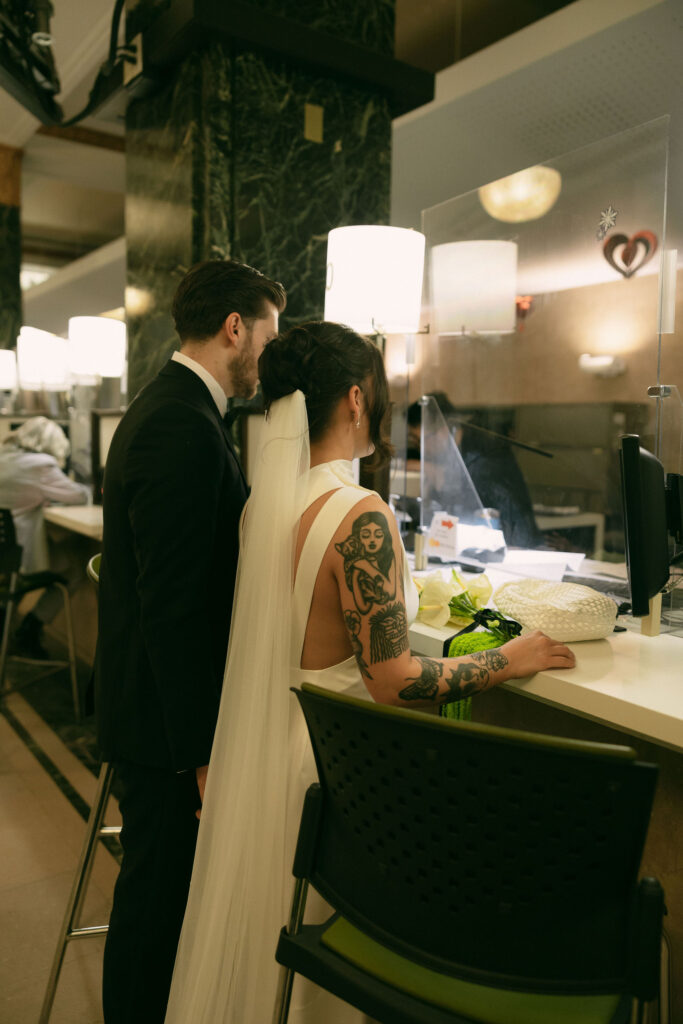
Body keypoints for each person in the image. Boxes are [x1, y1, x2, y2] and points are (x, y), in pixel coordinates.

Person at [164, 321, 575, 1024]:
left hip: (265, 744)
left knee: (273, 949)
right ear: (357, 399)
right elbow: (392, 680)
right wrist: (506, 659)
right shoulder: (360, 515)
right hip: (333, 769)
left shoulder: (265, 505)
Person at [94, 259, 285, 1024]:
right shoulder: (179, 422)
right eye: (268, 336)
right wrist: (199, 751)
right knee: (155, 903)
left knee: (163, 897)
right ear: (235, 328)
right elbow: (170, 606)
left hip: (155, 708)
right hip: (162, 724)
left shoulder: (182, 407)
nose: (267, 358)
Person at [0, 416, 90, 657]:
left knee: (11, 586)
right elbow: (80, 496)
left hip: (4, 558)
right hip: (17, 559)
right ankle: (30, 628)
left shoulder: (3, 456)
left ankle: (6, 624)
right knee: (73, 571)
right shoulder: (40, 465)